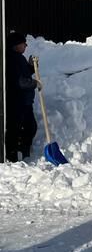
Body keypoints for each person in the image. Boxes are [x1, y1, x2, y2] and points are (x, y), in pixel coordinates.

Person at [4, 30, 39, 162]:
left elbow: (24, 75)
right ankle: (14, 154)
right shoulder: (13, 59)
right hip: (18, 101)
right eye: (23, 43)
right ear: (16, 45)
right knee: (18, 128)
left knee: (29, 127)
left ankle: (22, 151)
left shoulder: (19, 58)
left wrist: (30, 67)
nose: (26, 46)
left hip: (24, 101)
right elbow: (20, 81)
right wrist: (35, 83)